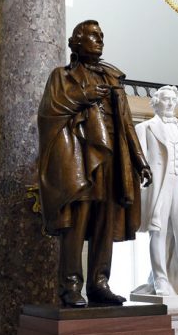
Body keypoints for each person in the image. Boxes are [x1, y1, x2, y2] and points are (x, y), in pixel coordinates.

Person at [37, 20, 152, 307]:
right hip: (80, 156)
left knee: (105, 221)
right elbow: (48, 113)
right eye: (93, 36)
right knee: (77, 222)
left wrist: (140, 162)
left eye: (102, 36)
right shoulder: (61, 77)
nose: (100, 40)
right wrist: (83, 96)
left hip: (113, 157)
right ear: (76, 42)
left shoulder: (113, 78)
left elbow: (126, 124)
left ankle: (99, 283)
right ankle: (71, 286)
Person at [135, 85, 178, 296]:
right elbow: (139, 166)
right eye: (165, 99)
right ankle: (160, 280)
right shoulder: (145, 128)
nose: (170, 103)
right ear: (156, 102)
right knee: (157, 231)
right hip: (158, 186)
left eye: (173, 100)